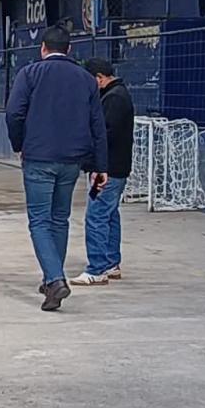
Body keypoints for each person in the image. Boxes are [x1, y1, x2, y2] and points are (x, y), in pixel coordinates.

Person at [6, 26, 108, 312]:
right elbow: (97, 125)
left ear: (43, 48)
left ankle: (54, 278)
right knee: (59, 219)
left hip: (38, 156)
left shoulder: (29, 74)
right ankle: (51, 278)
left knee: (39, 221)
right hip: (71, 160)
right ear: (69, 49)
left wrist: (19, 144)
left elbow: (14, 113)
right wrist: (100, 165)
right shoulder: (87, 80)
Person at [71, 58, 135, 286]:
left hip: (107, 169)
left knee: (96, 216)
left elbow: (104, 136)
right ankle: (110, 262)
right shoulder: (116, 96)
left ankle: (97, 268)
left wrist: (94, 162)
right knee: (109, 214)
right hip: (114, 167)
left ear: (99, 78)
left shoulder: (114, 99)